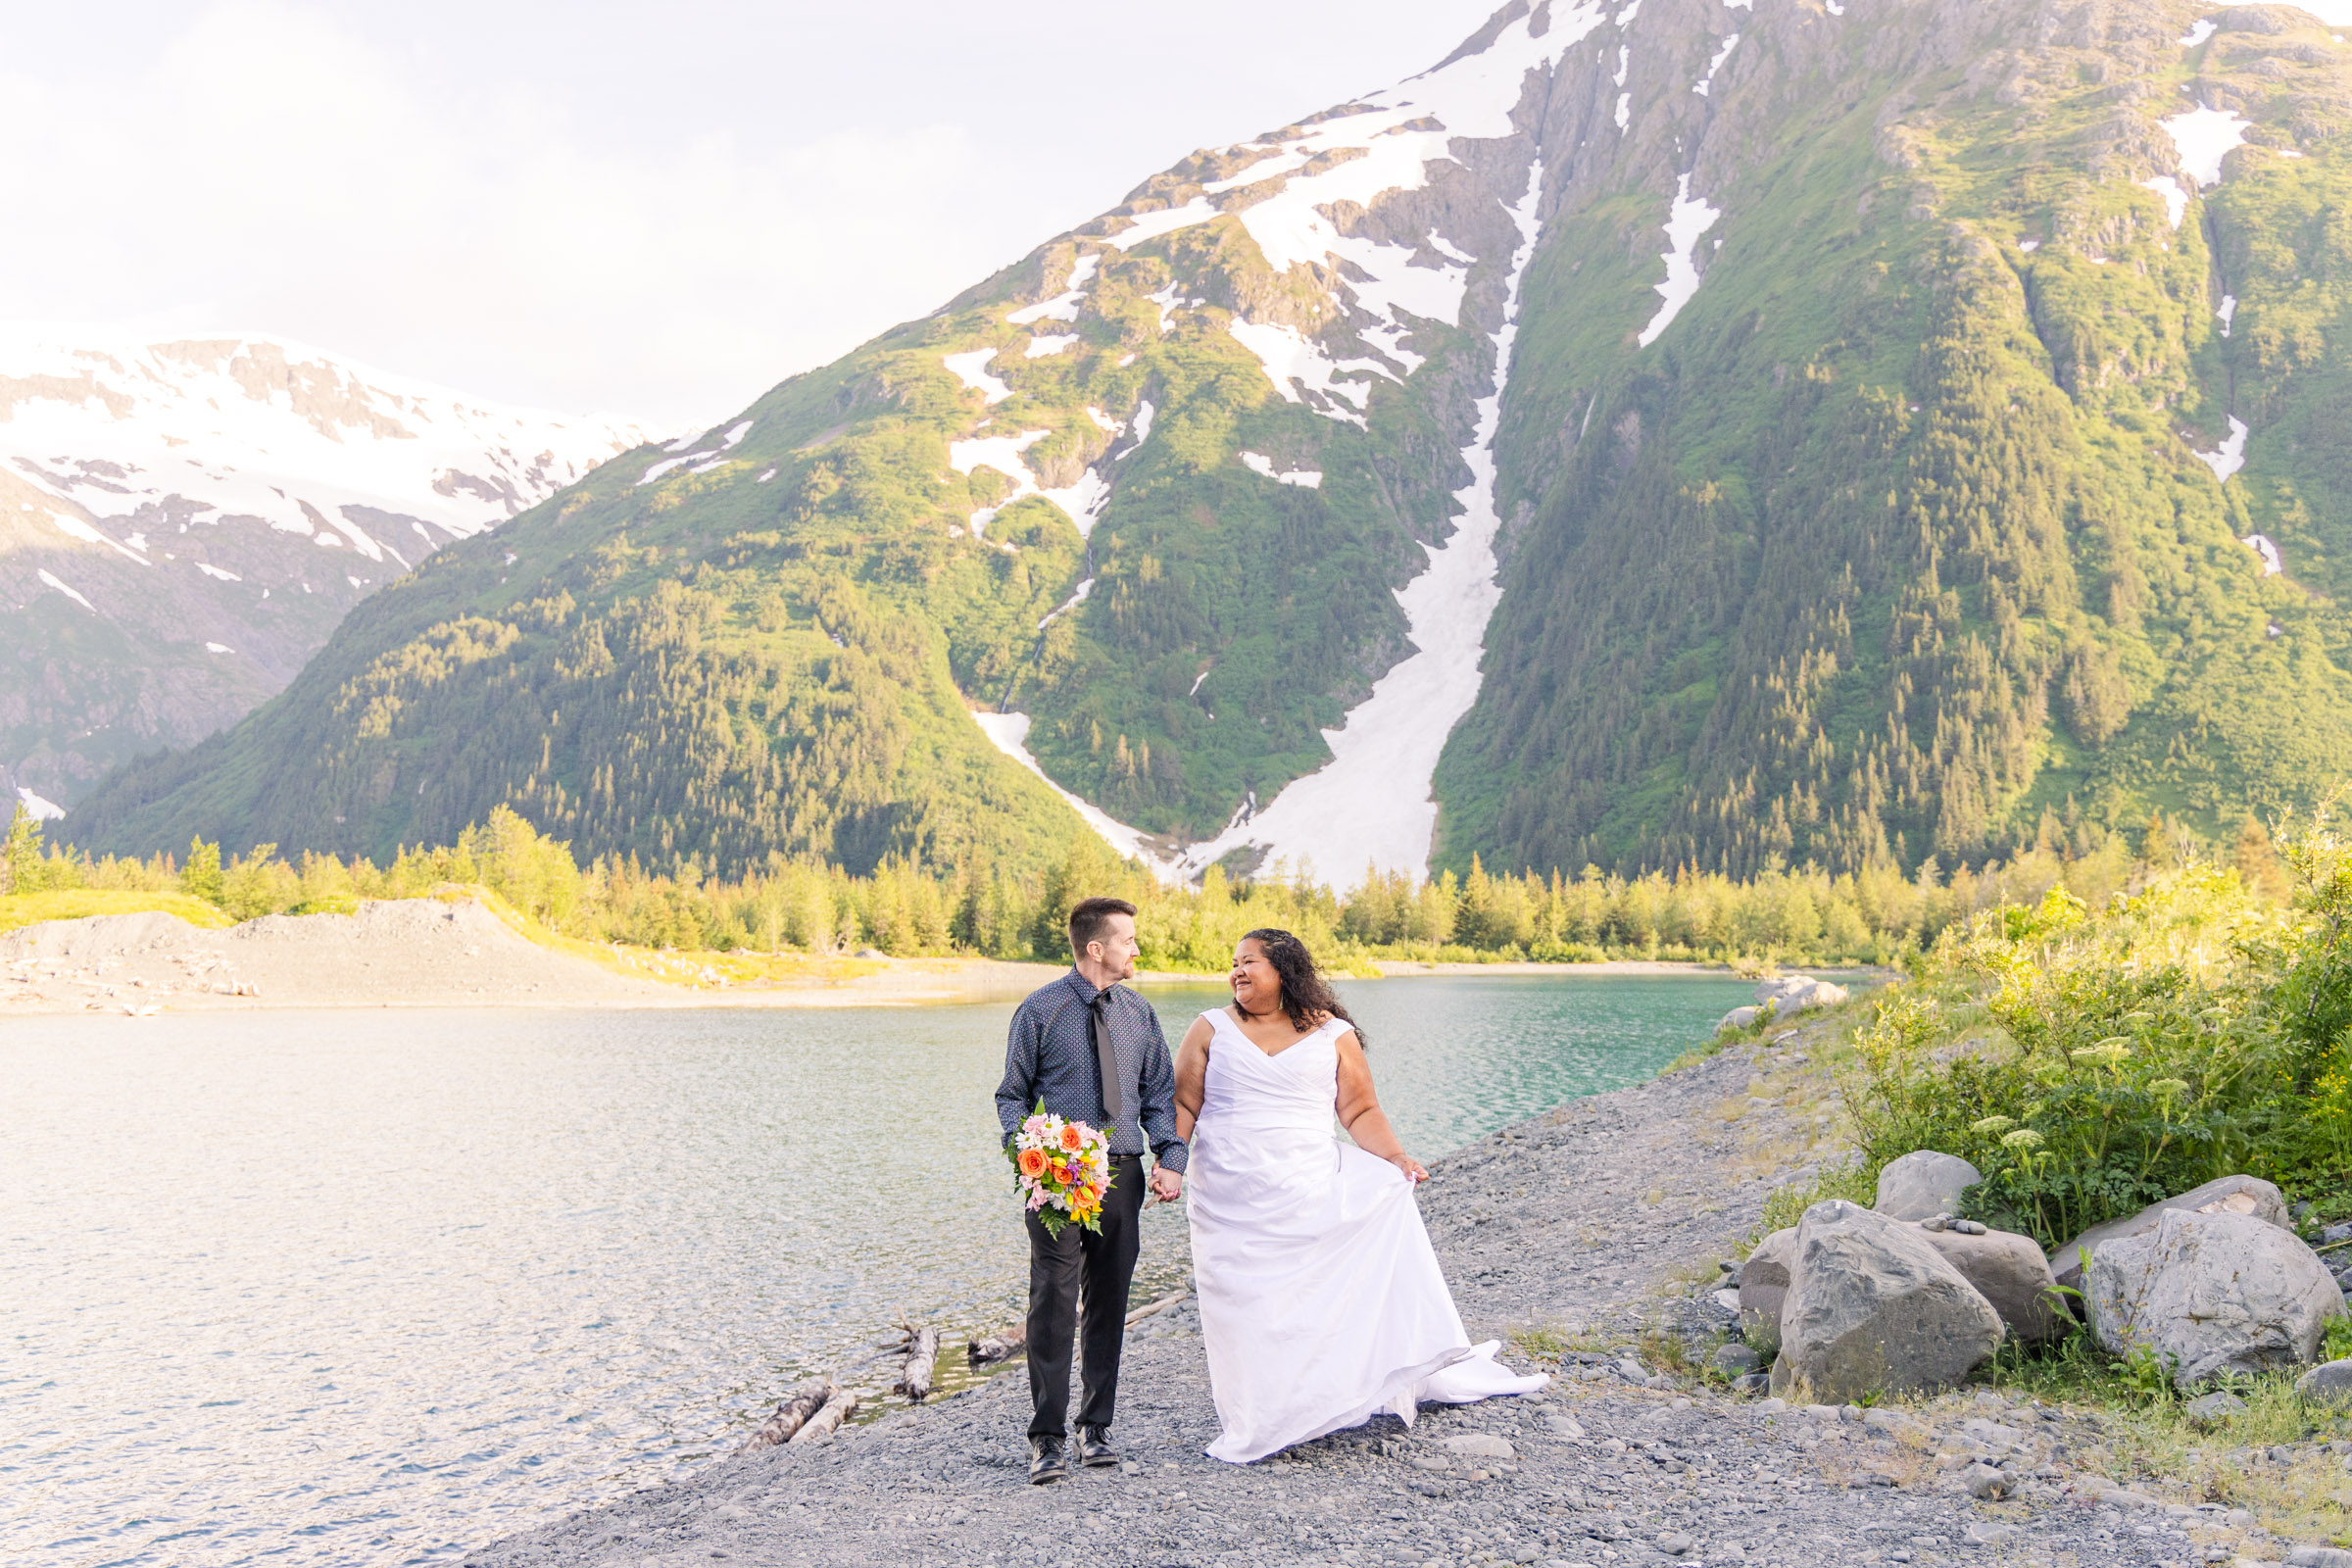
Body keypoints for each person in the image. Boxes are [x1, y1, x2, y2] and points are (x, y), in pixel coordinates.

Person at [1173, 927, 1546, 1463]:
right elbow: (1184, 1105)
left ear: (1284, 971)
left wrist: (1395, 1159)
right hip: (1229, 1195)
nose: (1236, 971)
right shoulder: (1209, 1028)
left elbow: (1359, 1111)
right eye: (1233, 962)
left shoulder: (1333, 1034)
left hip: (1308, 1182)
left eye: (1249, 962)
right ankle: (1260, 1415)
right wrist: (1171, 1165)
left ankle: (1324, 1396)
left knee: (1312, 1295)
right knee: (1243, 1306)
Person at [995, 896, 1187, 1484]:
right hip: (1056, 1181)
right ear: (1096, 948)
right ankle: (1047, 1438)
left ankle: (1095, 1426)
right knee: (1052, 1301)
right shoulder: (1039, 1011)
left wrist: (1169, 1158)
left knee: (1109, 1300)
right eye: (1129, 940)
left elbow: (1159, 1095)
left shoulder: (1139, 1014)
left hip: (1123, 1175)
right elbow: (1011, 1097)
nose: (1137, 949)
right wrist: (1033, 1155)